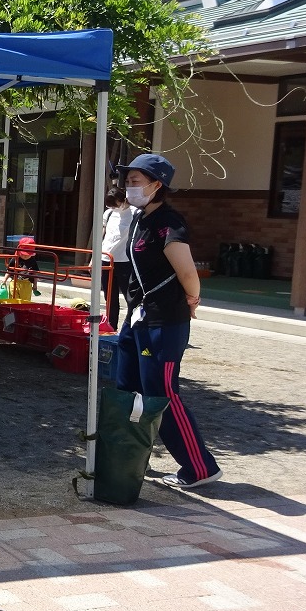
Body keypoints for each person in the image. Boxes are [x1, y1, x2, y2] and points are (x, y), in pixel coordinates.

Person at [114, 153, 222, 489]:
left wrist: (192, 299)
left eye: (135, 181)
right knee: (127, 389)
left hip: (164, 320)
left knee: (162, 393)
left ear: (156, 185)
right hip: (137, 317)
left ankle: (200, 467)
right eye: (127, 181)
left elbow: (187, 272)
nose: (129, 187)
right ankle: (130, 456)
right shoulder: (139, 218)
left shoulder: (169, 223)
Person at [100, 186, 134, 329]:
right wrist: (93, 258)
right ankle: (111, 327)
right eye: (110, 206)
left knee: (130, 296)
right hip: (106, 259)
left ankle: (132, 327)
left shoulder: (135, 213)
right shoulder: (108, 213)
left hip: (124, 261)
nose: (113, 208)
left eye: (115, 205)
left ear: (123, 200)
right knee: (109, 297)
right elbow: (103, 236)